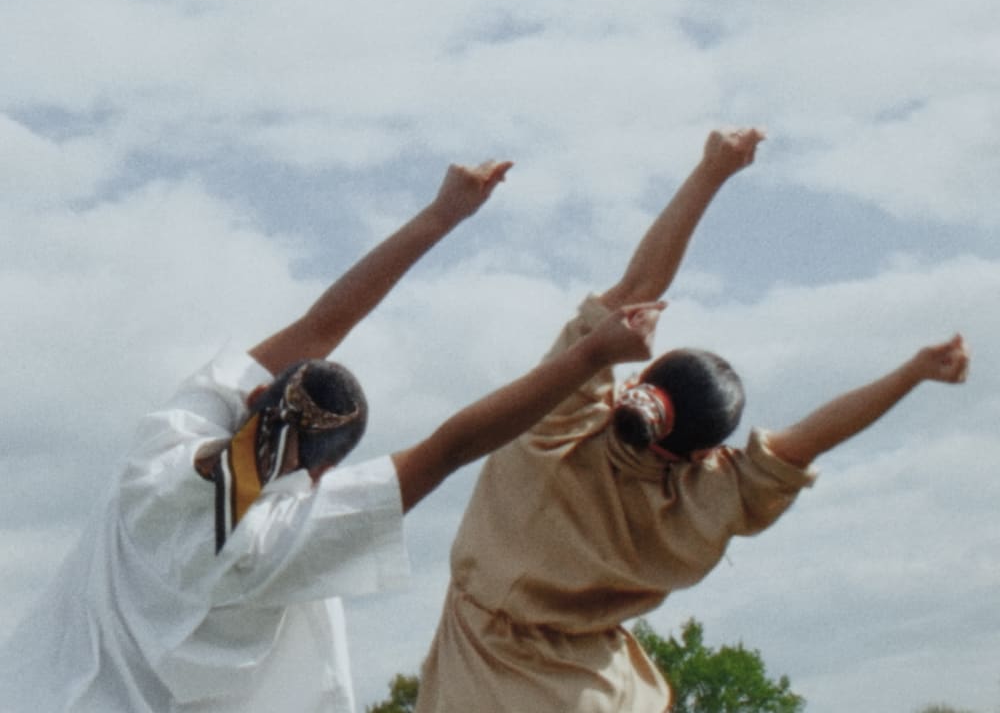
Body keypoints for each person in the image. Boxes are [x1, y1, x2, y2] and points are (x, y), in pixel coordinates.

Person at [0, 158, 665, 713]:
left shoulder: (162, 447)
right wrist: (589, 358)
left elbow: (320, 326)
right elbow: (451, 448)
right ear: (319, 475)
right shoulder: (283, 540)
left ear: (256, 396)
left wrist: (443, 213)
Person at [415, 129, 971, 713]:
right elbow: (807, 442)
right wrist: (913, 372)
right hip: (610, 695)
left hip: (488, 683)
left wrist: (713, 169)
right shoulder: (707, 500)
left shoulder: (555, 429)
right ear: (703, 452)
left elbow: (637, 289)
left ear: (637, 380)